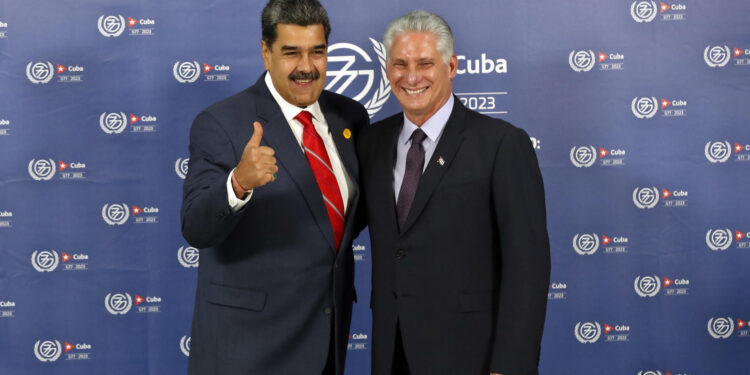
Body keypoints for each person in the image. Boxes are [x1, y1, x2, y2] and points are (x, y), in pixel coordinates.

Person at [357, 10, 551, 375]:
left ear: (452, 65)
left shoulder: (502, 144)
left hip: (472, 356)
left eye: (425, 63)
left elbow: (528, 267)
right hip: (392, 351)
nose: (411, 76)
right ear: (387, 70)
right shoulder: (371, 143)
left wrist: (509, 366)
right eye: (400, 64)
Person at [180, 0, 369, 373]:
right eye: (291, 53)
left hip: (326, 341)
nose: (307, 67)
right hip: (249, 348)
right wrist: (238, 183)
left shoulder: (350, 116)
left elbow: (345, 218)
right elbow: (195, 226)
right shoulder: (222, 122)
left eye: (317, 52)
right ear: (265, 53)